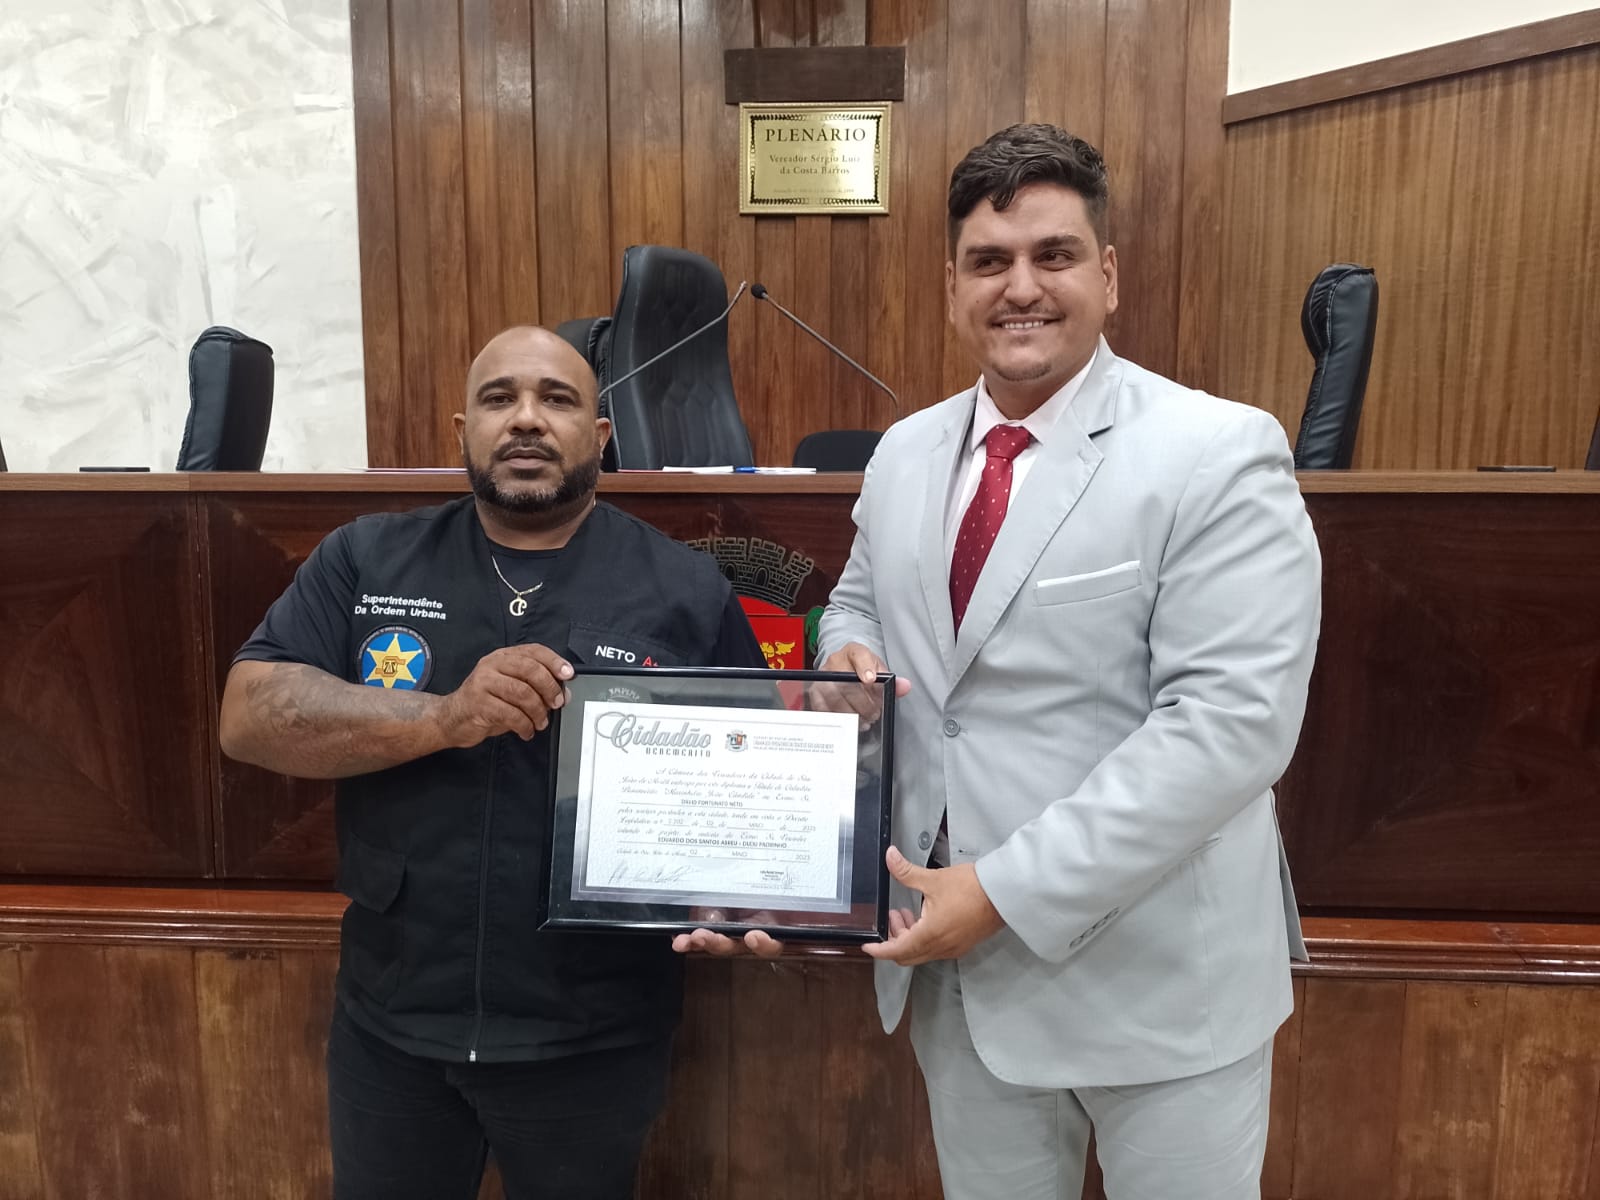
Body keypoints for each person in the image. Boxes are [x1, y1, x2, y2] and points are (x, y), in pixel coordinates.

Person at [815, 124, 1323, 1199]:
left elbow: (1228, 727)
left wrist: (1002, 890)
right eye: (988, 261)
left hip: (1157, 979)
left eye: (1053, 255)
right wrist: (845, 648)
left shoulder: (1216, 449)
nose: (1020, 288)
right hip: (960, 978)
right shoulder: (904, 452)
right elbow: (858, 596)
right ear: (952, 284)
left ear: (1108, 275)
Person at [218, 325, 767, 1200]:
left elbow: (756, 779)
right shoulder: (367, 557)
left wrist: (762, 902)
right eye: (498, 398)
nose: (526, 419)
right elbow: (249, 717)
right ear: (462, 429)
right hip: (392, 1027)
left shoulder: (684, 589)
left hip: (592, 1038)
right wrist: (445, 717)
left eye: (558, 399)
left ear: (600, 435)